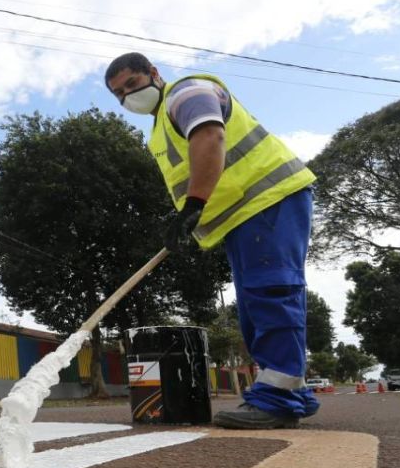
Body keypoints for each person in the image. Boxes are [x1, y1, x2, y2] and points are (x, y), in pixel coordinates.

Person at [105, 52, 319, 429]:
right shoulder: (159, 129)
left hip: (266, 199)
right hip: (244, 214)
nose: (128, 97)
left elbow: (210, 135)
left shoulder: (185, 94)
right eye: (119, 94)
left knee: (270, 291)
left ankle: (279, 398)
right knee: (255, 304)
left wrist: (193, 206)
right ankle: (290, 390)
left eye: (132, 85)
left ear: (154, 74)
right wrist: (187, 217)